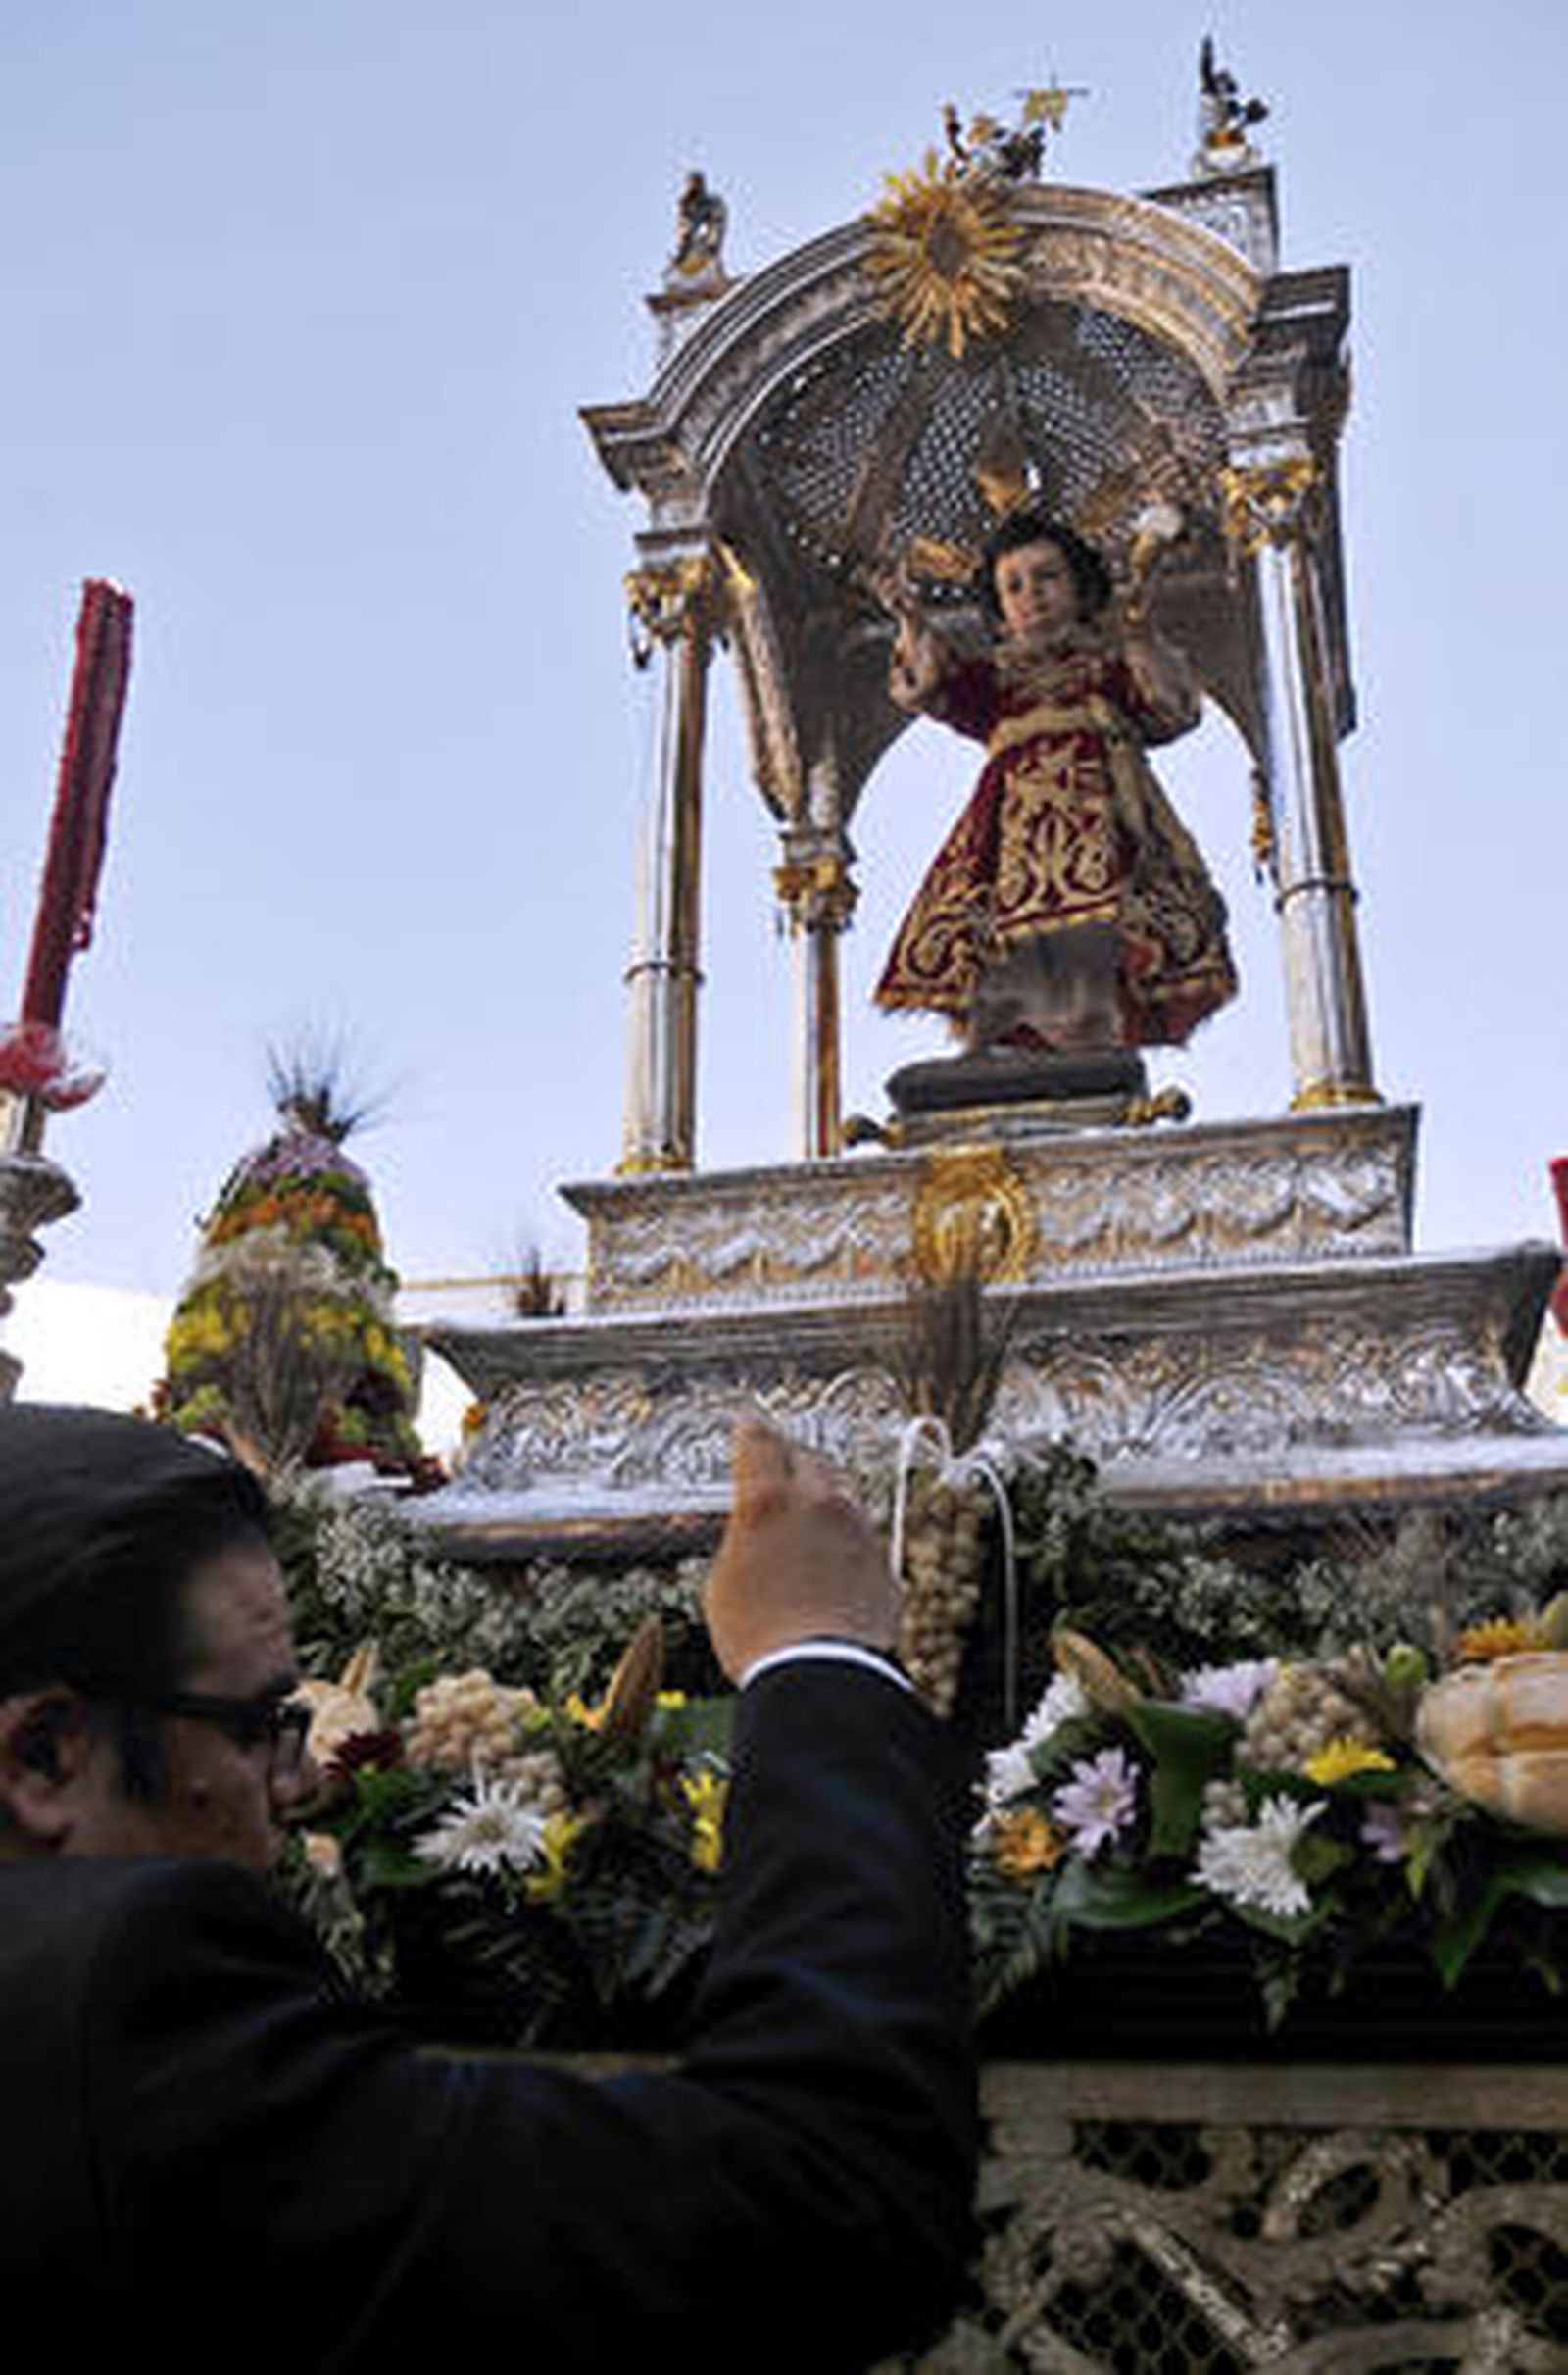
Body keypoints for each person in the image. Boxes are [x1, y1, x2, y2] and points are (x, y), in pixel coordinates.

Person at [0, 1404, 976, 2370]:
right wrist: (815, 1653)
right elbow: (826, 2194)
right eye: (257, 1723)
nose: (296, 1786)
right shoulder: (117, 2017)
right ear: (43, 1754)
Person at [876, 505, 1237, 1056]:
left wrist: (1138, 633)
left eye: (1047, 577)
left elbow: (1170, 709)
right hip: (1012, 830)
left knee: (1094, 936)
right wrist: (910, 617)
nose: (1033, 596)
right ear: (1000, 611)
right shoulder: (993, 680)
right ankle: (1013, 1042)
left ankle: (1091, 1040)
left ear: (1079, 588)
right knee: (1007, 941)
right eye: (1014, 586)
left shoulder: (1110, 667)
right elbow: (929, 685)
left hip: (1101, 821)